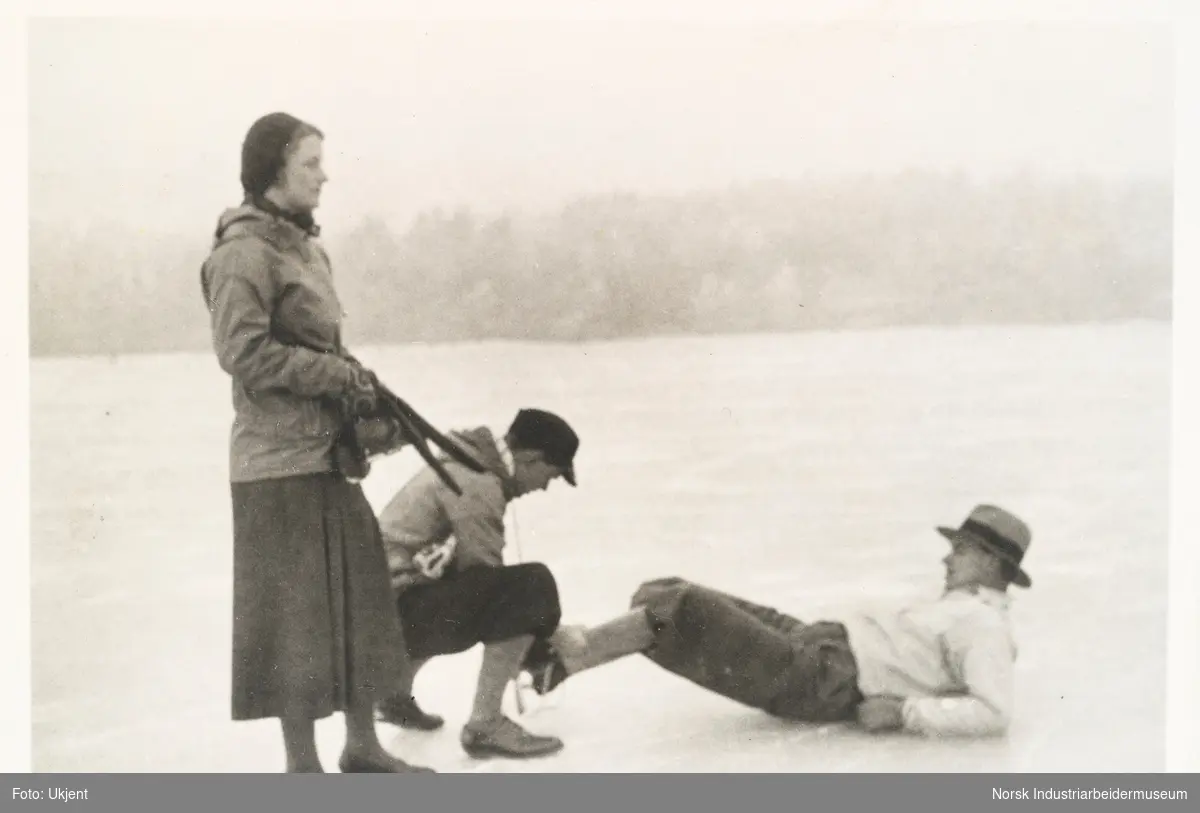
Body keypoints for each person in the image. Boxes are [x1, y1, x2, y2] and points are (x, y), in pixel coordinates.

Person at [200, 112, 432, 773]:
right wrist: (334, 374)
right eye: (311, 163)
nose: (324, 175)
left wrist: (362, 385)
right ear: (274, 170)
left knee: (361, 598)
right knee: (295, 622)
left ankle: (361, 746)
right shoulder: (241, 254)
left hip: (329, 457)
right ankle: (303, 769)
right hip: (274, 465)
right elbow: (242, 352)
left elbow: (322, 343)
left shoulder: (305, 249)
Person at [523, 504, 1032, 738]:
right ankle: (564, 660)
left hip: (827, 679)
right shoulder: (958, 603)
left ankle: (567, 658)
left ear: (993, 563)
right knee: (662, 591)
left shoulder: (985, 627)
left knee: (679, 606)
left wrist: (905, 714)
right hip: (817, 642)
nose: (948, 560)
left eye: (961, 552)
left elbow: (993, 711)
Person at [374, 409, 580, 759]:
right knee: (532, 587)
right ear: (530, 459)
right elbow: (488, 582)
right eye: (552, 474)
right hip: (388, 612)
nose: (545, 486)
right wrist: (545, 638)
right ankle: (486, 723)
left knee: (452, 583)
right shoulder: (478, 483)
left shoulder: (469, 465)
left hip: (380, 606)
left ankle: (392, 692)